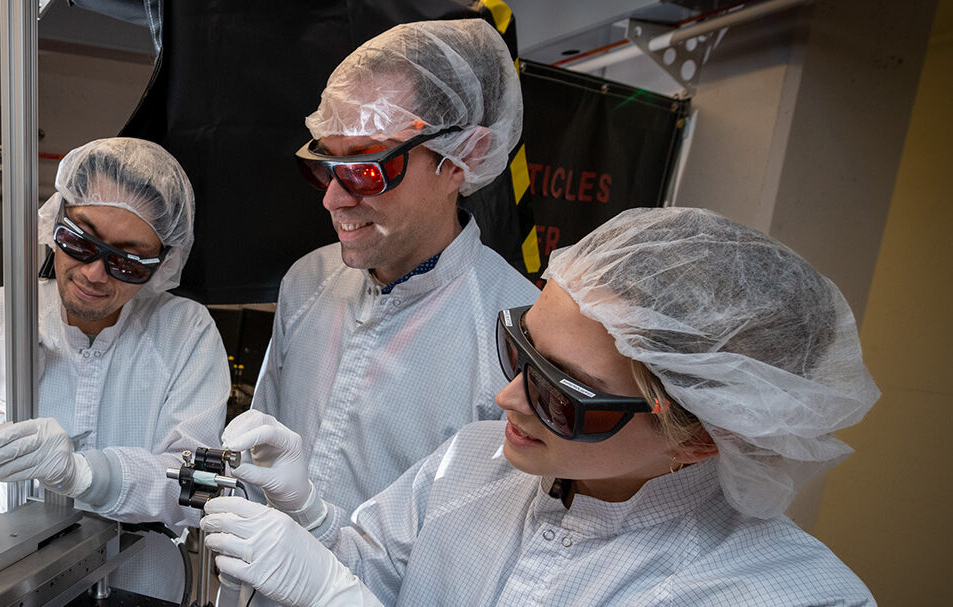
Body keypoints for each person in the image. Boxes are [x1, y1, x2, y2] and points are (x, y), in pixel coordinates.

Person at [202, 207, 880, 606]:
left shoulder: (778, 591)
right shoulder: (477, 462)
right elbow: (368, 566)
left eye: (561, 392)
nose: (505, 398)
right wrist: (315, 519)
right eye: (519, 347)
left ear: (700, 436)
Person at [240, 19, 537, 531]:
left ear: (465, 156)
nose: (334, 199)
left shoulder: (515, 332)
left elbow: (480, 539)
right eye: (325, 165)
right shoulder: (309, 281)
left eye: (365, 168)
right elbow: (261, 443)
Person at [0, 137, 229, 601]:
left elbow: (191, 484)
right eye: (80, 242)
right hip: (5, 579)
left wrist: (84, 475)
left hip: (141, 584)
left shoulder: (185, 333)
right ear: (52, 223)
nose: (95, 274)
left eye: (128, 262)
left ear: (162, 265)